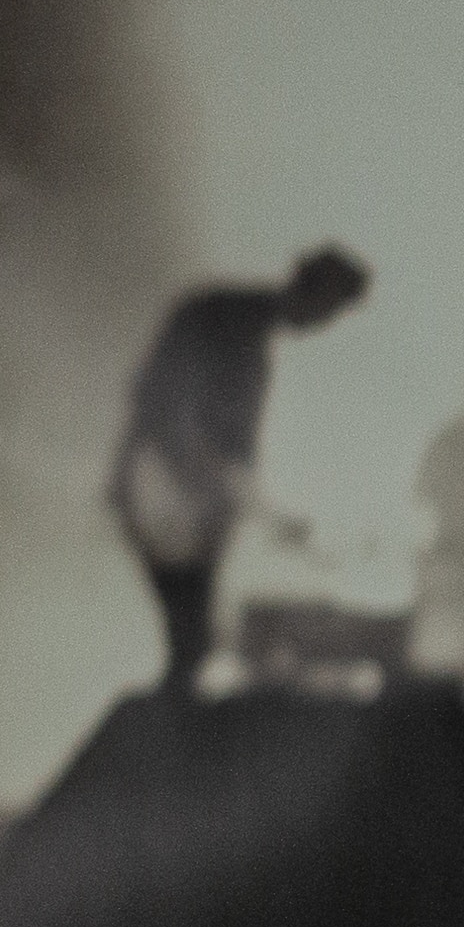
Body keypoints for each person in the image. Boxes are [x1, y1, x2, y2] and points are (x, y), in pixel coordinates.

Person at [105, 243, 368, 691]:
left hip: (182, 502)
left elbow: (224, 449)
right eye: (328, 308)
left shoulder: (246, 331)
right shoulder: (218, 317)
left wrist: (256, 506)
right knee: (194, 646)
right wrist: (220, 488)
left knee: (197, 649)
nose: (322, 323)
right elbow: (165, 410)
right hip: (165, 498)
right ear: (309, 286)